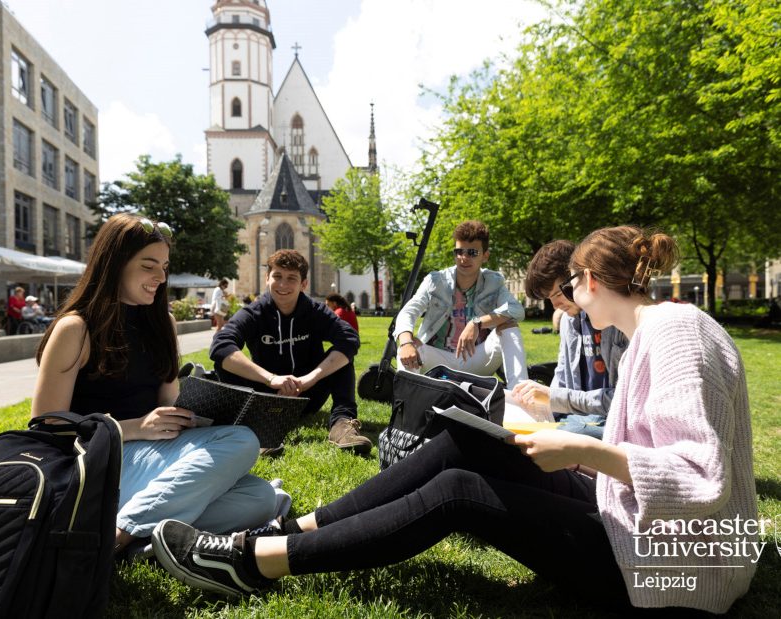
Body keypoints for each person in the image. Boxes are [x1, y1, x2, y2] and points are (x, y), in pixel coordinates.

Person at [152, 225, 758, 615]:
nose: (564, 301)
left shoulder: (676, 335)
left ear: (591, 281)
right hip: (628, 519)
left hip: (669, 570)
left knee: (460, 492)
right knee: (463, 442)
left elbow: (698, 479)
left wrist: (577, 448)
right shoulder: (662, 331)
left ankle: (253, 561)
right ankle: (300, 526)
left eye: (570, 285)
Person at [32, 214, 277, 557]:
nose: (161, 277)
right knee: (242, 443)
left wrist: (200, 415)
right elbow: (47, 428)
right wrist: (135, 428)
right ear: (115, 263)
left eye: (164, 266)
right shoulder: (76, 328)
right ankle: (117, 537)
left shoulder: (163, 322)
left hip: (150, 461)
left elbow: (168, 404)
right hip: (99, 463)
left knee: (261, 497)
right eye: (149, 265)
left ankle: (137, 538)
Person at [210, 249, 371, 454]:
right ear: (267, 278)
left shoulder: (314, 311)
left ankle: (342, 425)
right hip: (265, 395)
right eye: (277, 276)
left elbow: (349, 338)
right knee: (224, 362)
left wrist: (309, 379)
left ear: (304, 284)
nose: (283, 285)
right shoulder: (254, 312)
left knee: (342, 357)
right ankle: (257, 427)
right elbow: (221, 344)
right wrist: (271, 379)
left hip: (307, 394)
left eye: (291, 278)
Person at [512, 240, 630, 438]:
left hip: (611, 422)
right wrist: (540, 408)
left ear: (579, 279)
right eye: (549, 298)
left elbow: (623, 401)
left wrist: (555, 398)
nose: (556, 304)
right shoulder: (569, 321)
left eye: (558, 293)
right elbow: (562, 377)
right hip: (577, 418)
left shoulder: (617, 320)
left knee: (558, 435)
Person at [394, 220, 527, 389]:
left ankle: (520, 394)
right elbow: (408, 312)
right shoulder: (436, 280)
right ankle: (407, 407)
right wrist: (406, 343)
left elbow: (516, 310)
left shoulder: (494, 281)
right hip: (437, 358)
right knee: (406, 347)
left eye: (472, 252)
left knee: (509, 328)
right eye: (459, 251)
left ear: (485, 256)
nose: (464, 258)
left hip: (476, 359)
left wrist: (477, 323)